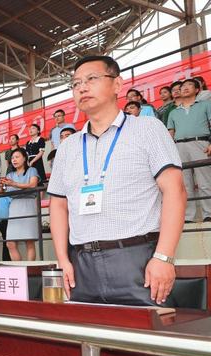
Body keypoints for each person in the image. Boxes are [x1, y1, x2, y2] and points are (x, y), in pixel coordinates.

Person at [49, 55, 186, 306]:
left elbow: (174, 190)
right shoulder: (67, 147)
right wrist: (62, 260)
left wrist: (164, 257)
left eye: (91, 79)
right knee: (85, 330)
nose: (82, 87)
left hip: (137, 260)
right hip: (80, 265)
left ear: (117, 84)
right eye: (76, 83)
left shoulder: (147, 129)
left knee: (147, 331)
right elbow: (58, 205)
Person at [167, 78, 211, 222]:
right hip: (179, 146)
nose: (185, 87)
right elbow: (170, 133)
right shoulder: (173, 112)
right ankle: (189, 217)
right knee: (185, 184)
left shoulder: (206, 104)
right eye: (183, 86)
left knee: (205, 181)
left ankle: (208, 214)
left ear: (197, 89)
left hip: (201, 143)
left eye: (189, 85)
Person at [0, 148, 40, 261]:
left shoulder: (32, 170)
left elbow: (32, 185)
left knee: (29, 241)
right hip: (14, 206)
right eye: (12, 158)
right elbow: (5, 190)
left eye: (17, 157)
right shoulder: (10, 174)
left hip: (28, 204)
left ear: (24, 158)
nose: (14, 160)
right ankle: (20, 268)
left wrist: (14, 184)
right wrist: (1, 186)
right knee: (10, 243)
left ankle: (30, 268)